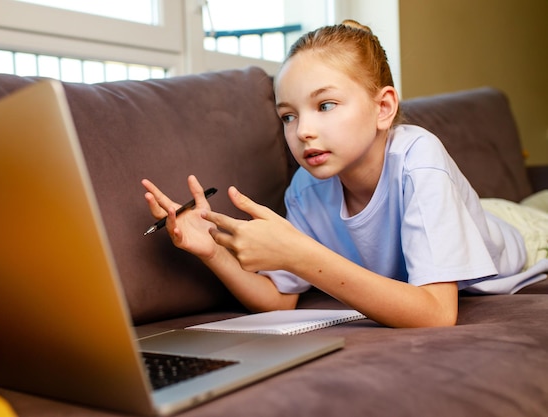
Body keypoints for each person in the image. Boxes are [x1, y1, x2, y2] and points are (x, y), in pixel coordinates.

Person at [142, 20, 548, 328]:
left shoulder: (417, 157)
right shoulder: (305, 190)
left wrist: (301, 254)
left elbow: (437, 313)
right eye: (288, 115)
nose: (302, 131)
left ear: (383, 108)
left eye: (326, 105)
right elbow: (279, 299)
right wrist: (213, 252)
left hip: (518, 232)